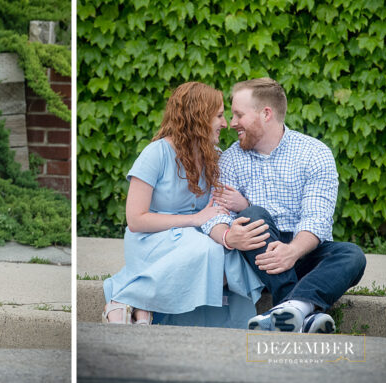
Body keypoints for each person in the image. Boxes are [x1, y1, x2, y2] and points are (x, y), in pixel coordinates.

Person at [202, 78, 366, 333]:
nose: (231, 123)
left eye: (239, 115)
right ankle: (304, 312)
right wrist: (229, 235)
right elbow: (215, 215)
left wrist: (292, 251)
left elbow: (317, 218)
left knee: (352, 255)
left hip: (305, 252)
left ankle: (291, 311)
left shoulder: (314, 153)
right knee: (252, 215)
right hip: (258, 259)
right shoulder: (231, 159)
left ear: (266, 113)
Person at [102, 82, 263, 327]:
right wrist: (194, 219)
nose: (224, 123)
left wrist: (242, 204)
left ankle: (140, 302)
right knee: (207, 250)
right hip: (152, 239)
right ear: (198, 117)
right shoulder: (155, 154)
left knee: (233, 259)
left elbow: (224, 208)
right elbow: (135, 221)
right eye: (218, 116)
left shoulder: (216, 157)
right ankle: (128, 296)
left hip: (194, 240)